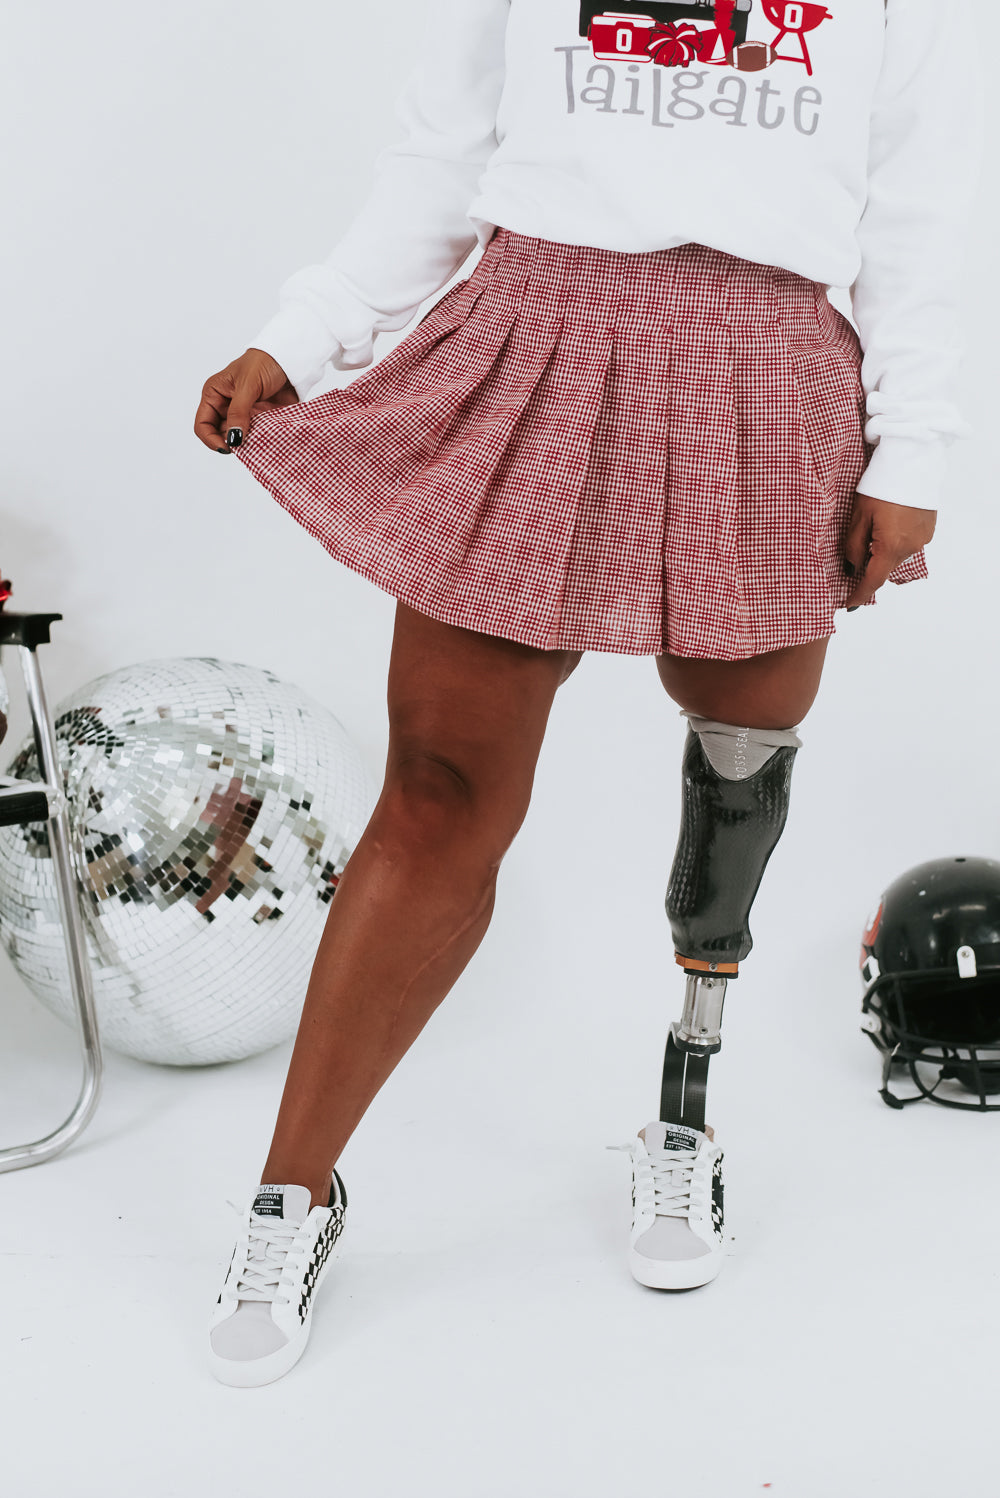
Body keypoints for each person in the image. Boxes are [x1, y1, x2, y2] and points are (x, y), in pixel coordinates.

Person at [193, 0, 983, 1387]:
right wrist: (307, 332)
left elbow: (919, 200)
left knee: (740, 766)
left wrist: (912, 440)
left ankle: (683, 1115)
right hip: (534, 339)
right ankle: (292, 1193)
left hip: (762, 368)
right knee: (440, 791)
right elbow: (439, 153)